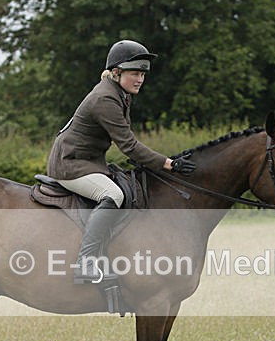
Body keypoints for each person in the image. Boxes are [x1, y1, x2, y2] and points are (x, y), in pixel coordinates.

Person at [47, 39, 196, 284]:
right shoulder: (105, 99)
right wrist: (169, 164)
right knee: (113, 196)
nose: (140, 80)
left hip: (88, 161)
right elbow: (129, 146)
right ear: (116, 73)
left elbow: (128, 141)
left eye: (143, 74)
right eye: (135, 73)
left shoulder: (120, 93)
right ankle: (85, 263)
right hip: (71, 165)